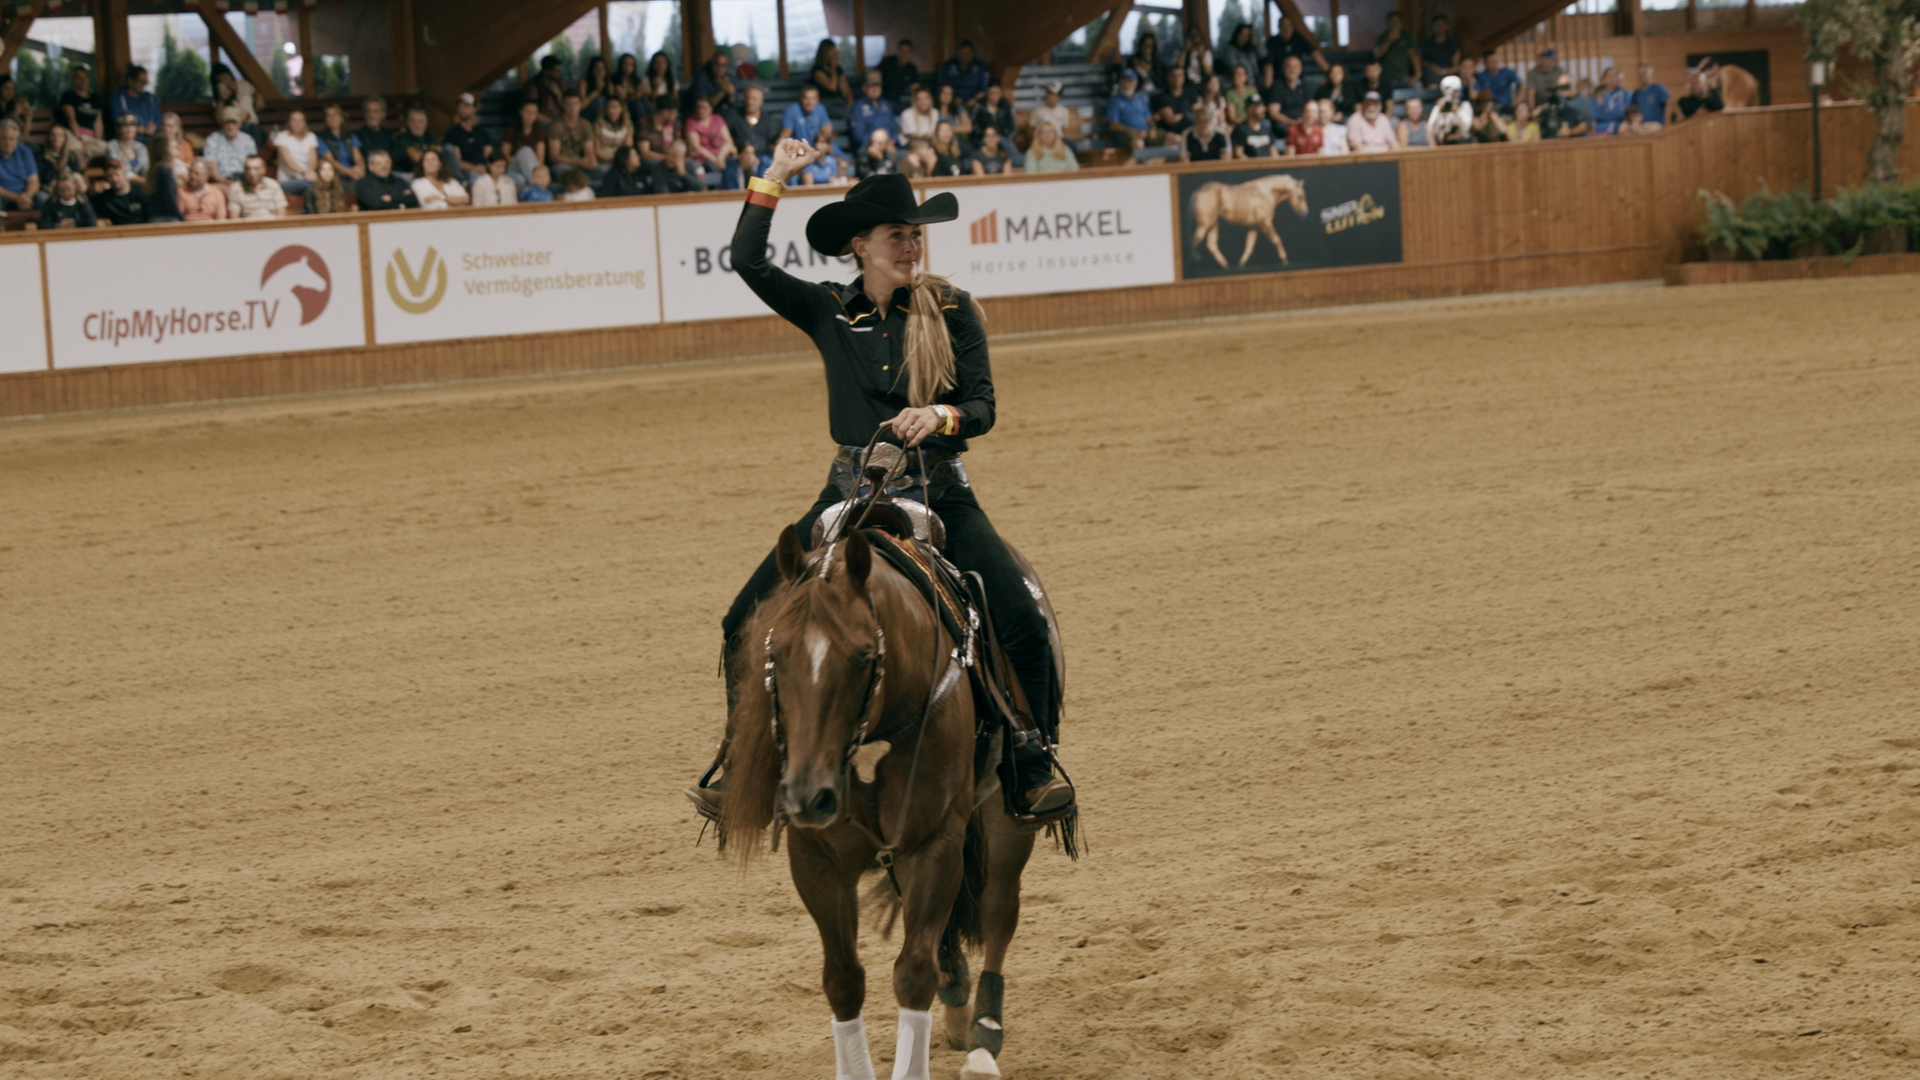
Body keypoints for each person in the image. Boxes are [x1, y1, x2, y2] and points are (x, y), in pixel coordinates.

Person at [694, 150, 1074, 827]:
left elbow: (983, 405)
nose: (911, 245)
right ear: (859, 246)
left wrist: (940, 415)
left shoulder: (952, 310)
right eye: (897, 235)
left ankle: (1032, 759)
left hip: (939, 489)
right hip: (848, 488)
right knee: (741, 621)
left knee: (1022, 620)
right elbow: (747, 262)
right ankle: (739, 764)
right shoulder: (826, 311)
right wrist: (772, 177)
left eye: (915, 234)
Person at [682, 95, 741, 189]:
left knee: (735, 163)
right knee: (712, 166)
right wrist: (715, 160)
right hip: (704, 158)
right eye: (698, 107)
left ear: (710, 108)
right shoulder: (691, 122)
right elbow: (696, 146)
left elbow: (728, 141)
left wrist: (720, 157)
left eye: (704, 108)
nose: (700, 110)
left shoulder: (718, 119)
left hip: (721, 156)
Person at [726, 84, 782, 179]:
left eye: (754, 99)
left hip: (763, 160)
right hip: (740, 159)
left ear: (761, 101)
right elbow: (723, 137)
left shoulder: (768, 120)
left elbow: (774, 141)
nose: (750, 102)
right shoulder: (733, 116)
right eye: (747, 98)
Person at [272, 109, 319, 206]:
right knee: (311, 185)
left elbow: (313, 159)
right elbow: (288, 162)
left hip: (307, 178)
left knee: (311, 187)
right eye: (294, 120)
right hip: (287, 181)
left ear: (304, 122)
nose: (297, 124)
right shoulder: (282, 136)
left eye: (300, 120)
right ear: (289, 122)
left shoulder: (311, 136)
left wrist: (310, 172)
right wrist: (305, 174)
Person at [548, 92, 598, 183]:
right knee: (566, 173)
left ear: (580, 105)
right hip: (563, 164)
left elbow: (589, 150)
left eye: (575, 104)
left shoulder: (585, 124)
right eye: (568, 104)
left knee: (604, 170)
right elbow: (554, 156)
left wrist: (591, 160)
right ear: (563, 106)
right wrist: (578, 162)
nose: (572, 107)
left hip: (581, 164)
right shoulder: (555, 125)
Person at [210, 63, 264, 147]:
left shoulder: (244, 86)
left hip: (253, 125)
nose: (226, 83)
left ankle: (256, 154)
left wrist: (259, 96)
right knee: (245, 126)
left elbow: (256, 92)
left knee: (255, 127)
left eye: (227, 79)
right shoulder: (219, 99)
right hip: (236, 129)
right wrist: (222, 100)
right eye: (221, 81)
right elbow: (219, 120)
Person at [443, 92, 493, 178]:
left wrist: (490, 169)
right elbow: (457, 163)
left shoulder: (482, 132)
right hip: (466, 172)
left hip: (484, 169)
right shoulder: (453, 133)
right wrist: (477, 168)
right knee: (476, 176)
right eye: (460, 107)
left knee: (515, 178)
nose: (462, 109)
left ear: (475, 109)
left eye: (466, 106)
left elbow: (490, 156)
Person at [1264, 16, 1328, 82]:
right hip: (1279, 80)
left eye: (1288, 26)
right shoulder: (1273, 42)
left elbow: (1315, 54)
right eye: (1283, 26)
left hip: (1298, 80)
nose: (1286, 29)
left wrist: (1329, 73)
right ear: (1279, 28)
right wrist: (1268, 87)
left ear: (1292, 27)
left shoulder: (1298, 38)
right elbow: (1269, 65)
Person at [89, 157, 148, 226]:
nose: (114, 179)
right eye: (110, 176)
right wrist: (91, 193)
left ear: (124, 174)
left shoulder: (141, 191)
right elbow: (86, 212)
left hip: (142, 230)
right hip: (118, 233)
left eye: (117, 174)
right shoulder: (105, 198)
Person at [58, 66, 107, 148]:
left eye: (85, 78)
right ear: (74, 80)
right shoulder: (68, 96)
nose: (83, 81)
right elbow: (71, 120)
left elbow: (98, 121)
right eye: (79, 78)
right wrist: (80, 140)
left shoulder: (95, 98)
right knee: (78, 148)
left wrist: (98, 140)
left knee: (104, 148)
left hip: (91, 137)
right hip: (74, 135)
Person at [503, 99, 549, 185]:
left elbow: (540, 159)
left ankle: (533, 181)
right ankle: (535, 183)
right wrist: (522, 158)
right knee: (525, 151)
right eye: (527, 112)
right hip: (514, 166)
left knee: (521, 179)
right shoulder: (512, 130)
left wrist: (529, 160)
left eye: (533, 113)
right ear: (521, 112)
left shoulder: (539, 131)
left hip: (532, 167)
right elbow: (504, 156)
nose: (530, 115)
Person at [203, 109, 257, 184]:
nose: (230, 126)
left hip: (245, 181)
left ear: (240, 124)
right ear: (222, 124)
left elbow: (253, 167)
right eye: (227, 122)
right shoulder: (212, 140)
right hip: (222, 182)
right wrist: (230, 183)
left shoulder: (248, 140)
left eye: (234, 123)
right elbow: (213, 174)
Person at [227, 154, 288, 220]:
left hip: (271, 226)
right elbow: (234, 217)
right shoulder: (236, 188)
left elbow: (282, 212)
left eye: (256, 169)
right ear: (244, 170)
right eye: (248, 168)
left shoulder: (273, 185)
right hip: (248, 227)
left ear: (263, 170)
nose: (251, 172)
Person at [850, 71, 900, 150]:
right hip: (869, 149)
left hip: (891, 147)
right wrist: (881, 144)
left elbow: (894, 130)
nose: (875, 89)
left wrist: (892, 141)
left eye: (878, 86)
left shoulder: (886, 104)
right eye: (871, 86)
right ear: (865, 88)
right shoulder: (858, 107)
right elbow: (859, 136)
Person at [316, 103, 366, 181]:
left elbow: (359, 159)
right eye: (329, 115)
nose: (332, 118)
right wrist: (349, 172)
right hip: (335, 175)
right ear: (326, 119)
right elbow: (330, 160)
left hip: (353, 173)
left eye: (335, 115)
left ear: (341, 118)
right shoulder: (322, 138)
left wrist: (359, 169)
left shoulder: (350, 135)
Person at [1105, 69, 1151, 151]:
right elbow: (1113, 125)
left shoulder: (1141, 98)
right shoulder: (1114, 100)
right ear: (1119, 82)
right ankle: (1145, 163)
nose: (1126, 83)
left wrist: (1152, 129)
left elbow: (1149, 118)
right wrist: (1134, 131)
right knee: (1138, 143)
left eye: (1129, 80)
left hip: (1146, 133)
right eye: (1123, 80)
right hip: (1126, 135)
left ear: (1136, 83)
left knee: (1175, 139)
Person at [392, 106, 442, 179]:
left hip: (430, 172)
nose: (417, 124)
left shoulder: (430, 135)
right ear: (408, 123)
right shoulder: (404, 138)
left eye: (420, 121)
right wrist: (432, 157)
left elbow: (440, 153)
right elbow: (417, 158)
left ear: (426, 123)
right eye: (413, 121)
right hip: (411, 174)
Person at [1151, 65, 1199, 141]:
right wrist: (1187, 115)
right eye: (1174, 76)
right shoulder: (1163, 97)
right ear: (1168, 78)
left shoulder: (1190, 94)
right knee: (1189, 118)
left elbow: (1198, 112)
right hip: (1174, 130)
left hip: (1192, 126)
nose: (1177, 79)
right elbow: (1171, 120)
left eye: (1180, 76)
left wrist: (1182, 116)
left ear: (1183, 77)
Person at [110, 65, 161, 137]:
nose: (144, 85)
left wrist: (154, 127)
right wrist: (142, 130)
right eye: (141, 81)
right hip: (131, 139)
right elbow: (119, 122)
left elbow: (158, 118)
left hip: (152, 139)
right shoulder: (119, 98)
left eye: (145, 82)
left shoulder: (149, 98)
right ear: (131, 80)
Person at [938, 39, 992, 108]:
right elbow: (942, 86)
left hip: (975, 103)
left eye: (968, 54)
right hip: (952, 103)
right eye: (962, 54)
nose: (965, 57)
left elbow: (984, 89)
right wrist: (952, 99)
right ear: (957, 53)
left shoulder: (980, 66)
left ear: (972, 54)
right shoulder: (948, 65)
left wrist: (974, 100)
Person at [1029, 81, 1079, 150]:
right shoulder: (1038, 111)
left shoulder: (1064, 111)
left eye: (1053, 94)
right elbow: (1032, 128)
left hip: (1058, 140)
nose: (1050, 96)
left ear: (1059, 97)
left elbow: (1064, 129)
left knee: (1074, 146)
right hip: (1042, 140)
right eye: (1048, 93)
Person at [1217, 23, 1265, 94]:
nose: (1243, 37)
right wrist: (1248, 84)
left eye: (1247, 35)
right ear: (1236, 34)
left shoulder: (1250, 50)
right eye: (1242, 34)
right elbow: (1235, 69)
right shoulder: (1229, 49)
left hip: (1254, 80)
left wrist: (1255, 40)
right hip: (1238, 82)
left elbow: (1264, 55)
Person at [1540, 73, 1590, 138]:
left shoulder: (1582, 101)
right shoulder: (1558, 101)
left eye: (1566, 86)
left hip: (1578, 140)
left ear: (1572, 85)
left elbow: (1586, 125)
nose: (1563, 90)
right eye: (1560, 87)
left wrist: (1570, 132)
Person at [594, 96, 636, 172]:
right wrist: (611, 160)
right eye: (609, 107)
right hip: (604, 160)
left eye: (615, 107)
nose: (611, 111)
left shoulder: (628, 125)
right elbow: (597, 151)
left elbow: (627, 147)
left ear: (621, 108)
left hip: (621, 161)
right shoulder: (598, 124)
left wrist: (620, 161)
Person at [1428, 74, 1474, 144]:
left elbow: (1466, 128)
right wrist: (1439, 113)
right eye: (1455, 91)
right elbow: (1431, 130)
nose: (1457, 93)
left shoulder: (1464, 105)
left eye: (1458, 91)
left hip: (1462, 144)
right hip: (1444, 144)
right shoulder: (1439, 107)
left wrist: (1457, 111)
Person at [1268, 54, 1311, 129]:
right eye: (1289, 66)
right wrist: (1292, 122)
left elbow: (1310, 107)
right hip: (1286, 123)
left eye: (1296, 67)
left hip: (1303, 121)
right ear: (1283, 68)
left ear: (1300, 69)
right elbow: (1273, 113)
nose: (1292, 70)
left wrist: (1304, 120)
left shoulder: (1304, 85)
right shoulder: (1277, 86)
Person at [1374, 12, 1415, 88]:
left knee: (1417, 86)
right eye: (1392, 21)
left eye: (1397, 21)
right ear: (1388, 23)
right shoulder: (1382, 37)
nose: (1395, 23)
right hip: (1386, 77)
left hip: (1404, 76)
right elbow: (1376, 55)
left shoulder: (1407, 36)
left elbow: (1413, 55)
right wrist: (1389, 41)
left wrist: (1417, 75)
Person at [1419, 16, 1460, 90]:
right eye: (1437, 25)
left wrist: (1442, 71)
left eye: (1442, 25)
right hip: (1428, 74)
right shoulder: (1426, 44)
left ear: (1447, 26)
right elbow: (1418, 60)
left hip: (1445, 75)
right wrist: (1431, 65)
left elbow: (1456, 67)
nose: (1439, 28)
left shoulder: (1453, 45)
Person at [106, 114, 150, 182]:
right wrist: (142, 180)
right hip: (121, 183)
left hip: (142, 184)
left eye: (132, 125)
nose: (129, 128)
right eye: (125, 125)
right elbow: (118, 171)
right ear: (118, 129)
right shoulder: (112, 145)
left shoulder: (141, 147)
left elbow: (146, 169)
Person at [877, 38, 920, 107]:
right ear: (897, 51)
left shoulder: (912, 68)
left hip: (904, 101)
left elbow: (915, 88)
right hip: (885, 100)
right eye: (902, 51)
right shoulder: (887, 62)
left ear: (911, 54)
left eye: (907, 52)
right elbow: (874, 76)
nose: (904, 54)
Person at [809, 40, 853, 107]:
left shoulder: (838, 68)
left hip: (839, 101)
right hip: (824, 102)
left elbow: (845, 88)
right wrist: (833, 67)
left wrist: (850, 101)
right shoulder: (817, 69)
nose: (834, 52)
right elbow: (832, 87)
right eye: (831, 49)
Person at [1631, 63, 1674, 130]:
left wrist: (1667, 124)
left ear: (1650, 73)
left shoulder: (1658, 88)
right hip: (1641, 125)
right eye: (1639, 74)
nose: (1641, 76)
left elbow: (1670, 103)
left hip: (1656, 124)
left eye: (1644, 73)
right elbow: (1633, 111)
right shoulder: (1636, 93)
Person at [355, 96, 396, 164]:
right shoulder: (358, 134)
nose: (371, 115)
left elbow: (399, 154)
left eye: (375, 112)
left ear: (383, 114)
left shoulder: (388, 133)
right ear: (364, 114)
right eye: (368, 111)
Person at [1593, 67, 1629, 135]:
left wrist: (1605, 111)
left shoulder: (1625, 94)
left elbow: (1624, 113)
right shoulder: (1597, 95)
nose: (1611, 78)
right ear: (1604, 78)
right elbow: (1596, 114)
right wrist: (1615, 112)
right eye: (1609, 76)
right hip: (1601, 127)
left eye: (1614, 75)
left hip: (1620, 126)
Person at [578, 55, 613, 121]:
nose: (600, 71)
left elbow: (613, 102)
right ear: (592, 70)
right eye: (597, 68)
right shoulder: (584, 82)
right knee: (599, 99)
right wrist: (597, 91)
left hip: (605, 116)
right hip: (587, 116)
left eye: (603, 68)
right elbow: (581, 105)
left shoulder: (608, 83)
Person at [0, 76, 33, 140]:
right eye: (6, 88)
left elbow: (25, 137)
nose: (10, 92)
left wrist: (28, 118)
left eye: (12, 89)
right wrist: (15, 114)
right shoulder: (14, 110)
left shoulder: (13, 105)